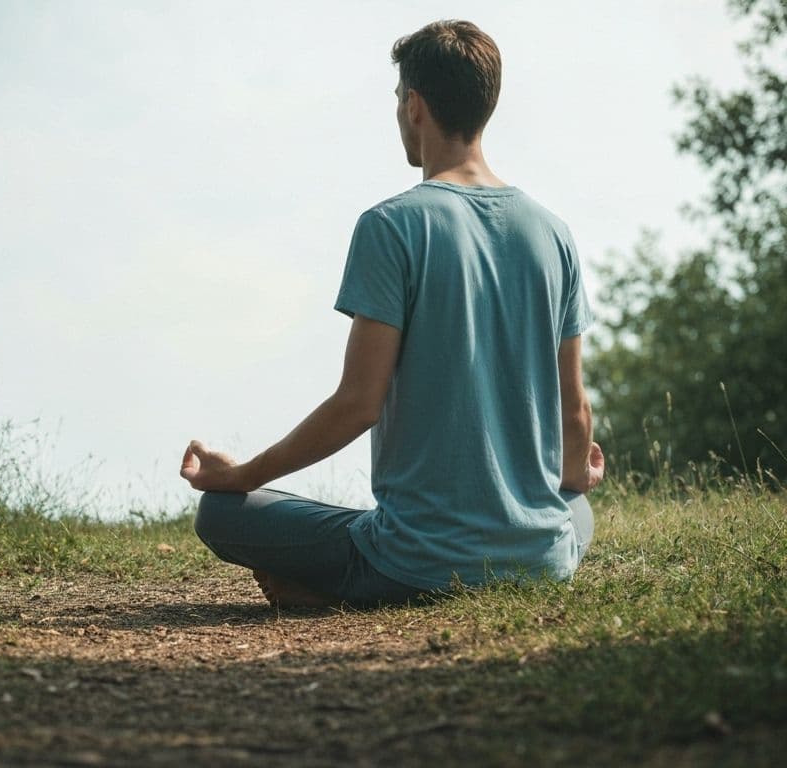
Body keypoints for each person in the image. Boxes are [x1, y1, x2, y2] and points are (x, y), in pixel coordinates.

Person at [180, 19, 604, 609]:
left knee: (221, 513)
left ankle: (343, 586)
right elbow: (574, 408)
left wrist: (244, 475)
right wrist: (574, 472)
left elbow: (358, 404)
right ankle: (490, 552)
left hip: (417, 563)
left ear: (414, 105)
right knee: (576, 508)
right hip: (539, 563)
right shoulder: (554, 234)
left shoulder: (391, 225)